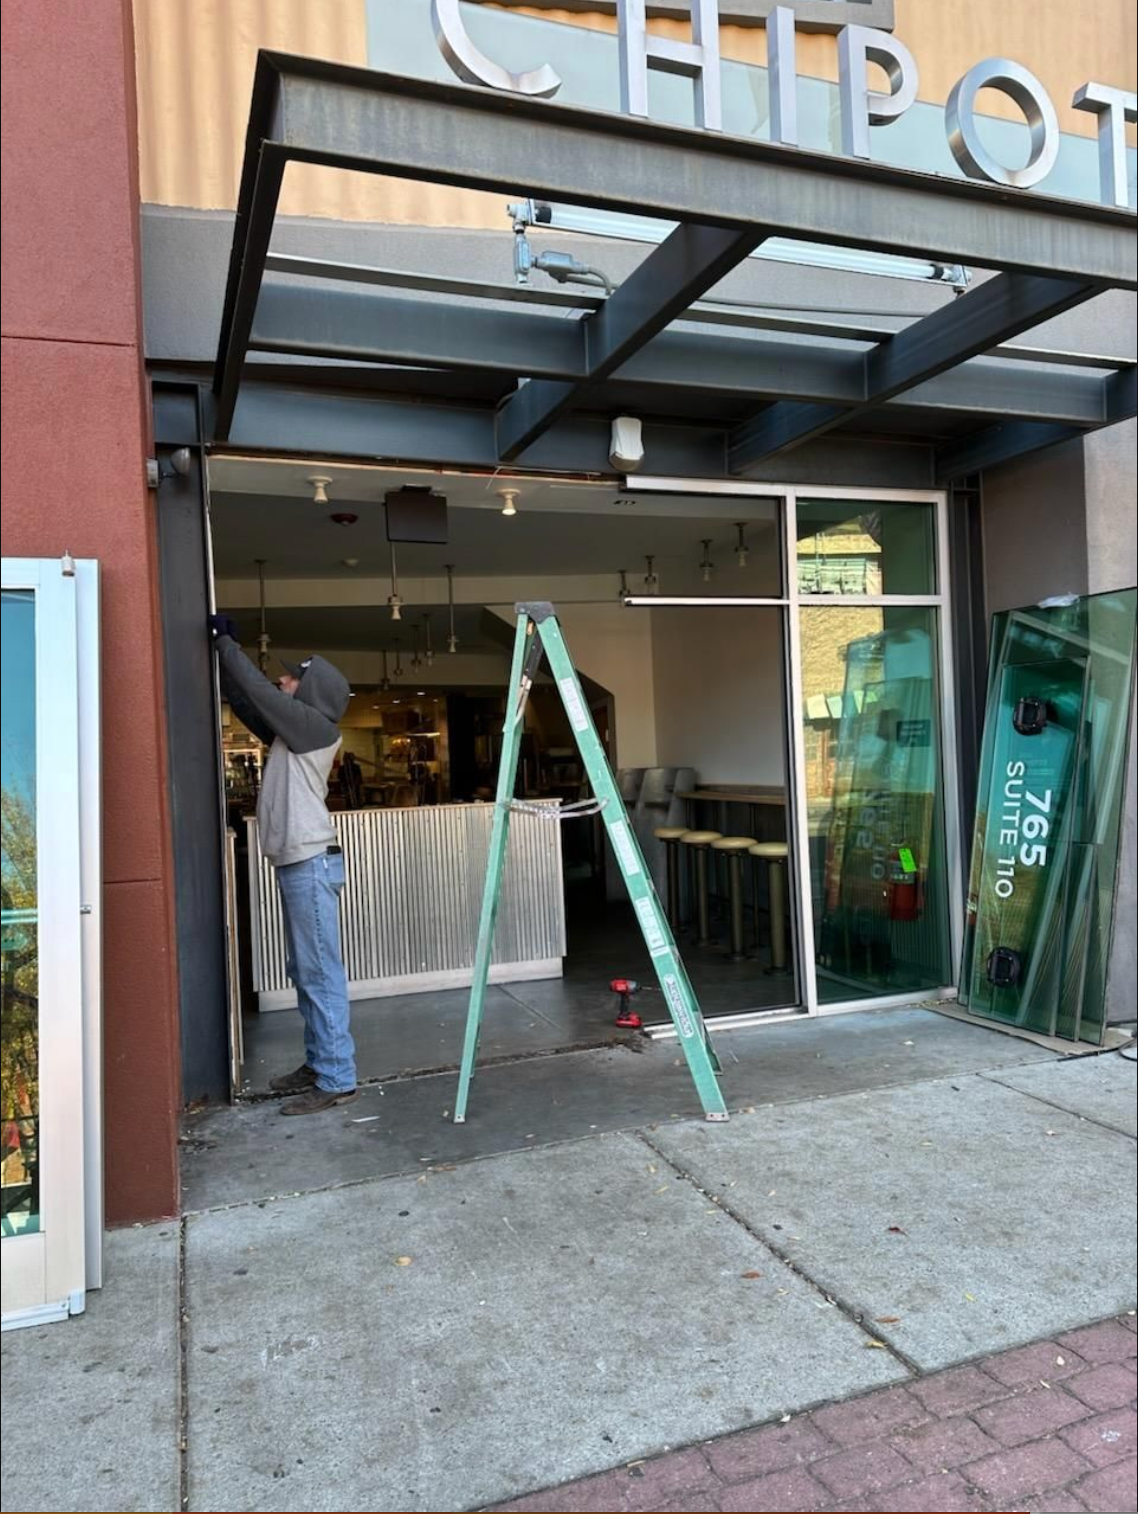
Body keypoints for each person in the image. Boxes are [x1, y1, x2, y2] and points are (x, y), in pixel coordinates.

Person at [208, 615, 358, 1115]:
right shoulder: (292, 733)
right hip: (301, 863)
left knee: (319, 973)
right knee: (306, 970)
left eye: (291, 677)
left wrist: (227, 643)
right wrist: (221, 657)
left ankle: (336, 1076)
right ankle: (320, 1064)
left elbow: (259, 692)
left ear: (308, 691)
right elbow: (251, 702)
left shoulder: (314, 727)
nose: (282, 680)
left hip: (310, 862)